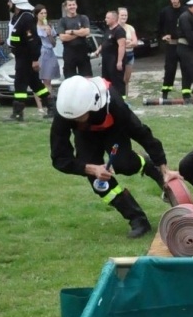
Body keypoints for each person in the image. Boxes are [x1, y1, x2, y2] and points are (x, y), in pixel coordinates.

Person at [50, 74, 177, 239]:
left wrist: (163, 168)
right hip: (86, 136)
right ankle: (137, 219)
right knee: (99, 183)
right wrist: (91, 168)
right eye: (71, 119)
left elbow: (141, 132)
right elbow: (59, 158)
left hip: (113, 129)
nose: (74, 121)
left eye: (79, 116)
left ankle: (146, 163)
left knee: (124, 164)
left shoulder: (114, 104)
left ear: (93, 105)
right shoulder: (65, 112)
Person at [7, 0, 47, 120]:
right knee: (35, 84)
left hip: (26, 57)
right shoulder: (17, 17)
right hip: (20, 55)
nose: (8, 4)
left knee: (20, 83)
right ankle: (52, 106)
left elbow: (33, 40)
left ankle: (18, 112)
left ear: (15, 1)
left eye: (9, 1)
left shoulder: (27, 18)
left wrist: (35, 59)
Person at [156, 0, 185, 100]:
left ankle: (186, 93)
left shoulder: (185, 11)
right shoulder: (165, 11)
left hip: (183, 45)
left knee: (185, 69)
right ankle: (165, 93)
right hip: (171, 45)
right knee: (169, 69)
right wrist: (162, 36)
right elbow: (159, 27)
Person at [57, 0, 94, 80]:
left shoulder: (83, 18)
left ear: (76, 6)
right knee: (70, 79)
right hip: (69, 52)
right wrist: (79, 32)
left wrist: (72, 32)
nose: (72, 7)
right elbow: (62, 37)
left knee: (87, 79)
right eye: (69, 5)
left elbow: (87, 32)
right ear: (66, 7)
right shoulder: (62, 21)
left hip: (83, 51)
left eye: (73, 4)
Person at [99, 8, 130, 98]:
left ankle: (121, 100)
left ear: (114, 19)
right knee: (106, 81)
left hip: (115, 59)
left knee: (117, 81)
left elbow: (122, 46)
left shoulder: (119, 30)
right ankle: (109, 100)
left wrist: (119, 61)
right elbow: (104, 43)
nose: (105, 19)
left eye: (107, 18)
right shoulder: (108, 30)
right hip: (106, 60)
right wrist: (97, 51)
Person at [36, 6, 59, 85]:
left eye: (45, 13)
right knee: (37, 80)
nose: (43, 15)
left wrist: (49, 35)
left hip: (49, 55)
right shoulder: (34, 27)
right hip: (38, 54)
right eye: (41, 13)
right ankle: (40, 97)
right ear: (37, 15)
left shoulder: (49, 26)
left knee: (47, 80)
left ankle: (47, 97)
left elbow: (54, 44)